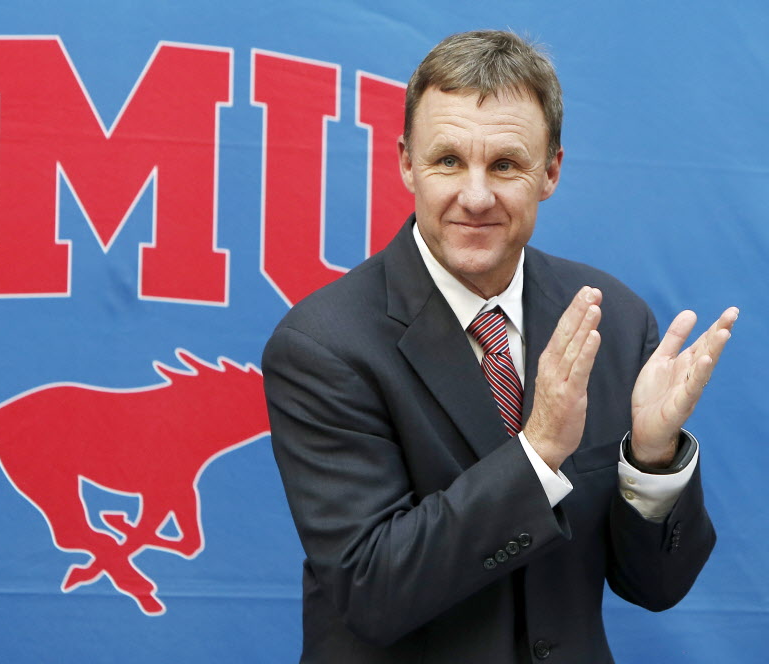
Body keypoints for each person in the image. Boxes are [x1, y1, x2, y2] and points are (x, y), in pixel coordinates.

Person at [262, 30, 737, 663]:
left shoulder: (612, 320)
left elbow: (657, 587)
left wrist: (652, 460)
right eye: (448, 161)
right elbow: (373, 589)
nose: (476, 196)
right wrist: (538, 451)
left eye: (505, 164)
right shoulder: (322, 345)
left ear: (551, 172)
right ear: (406, 163)